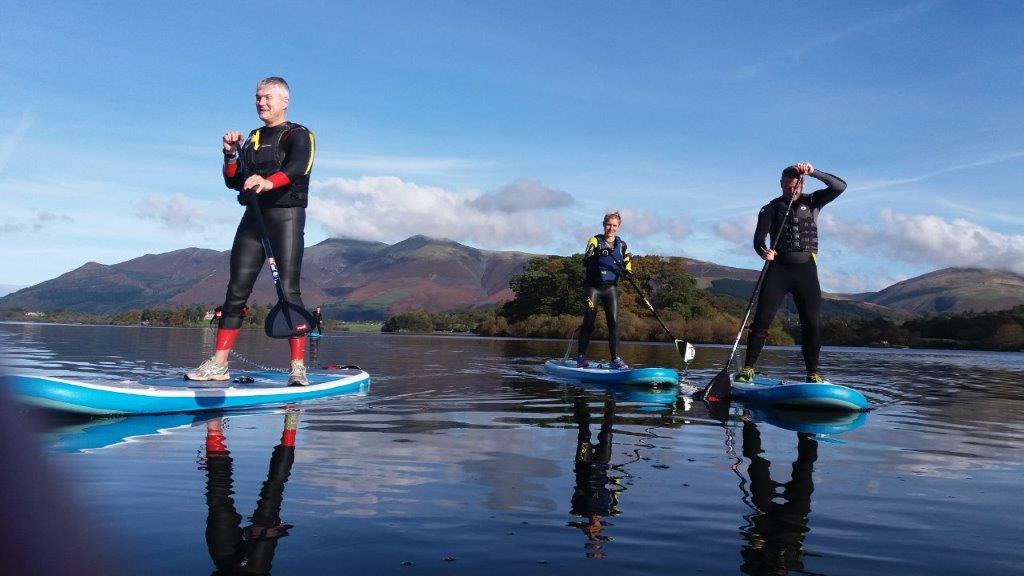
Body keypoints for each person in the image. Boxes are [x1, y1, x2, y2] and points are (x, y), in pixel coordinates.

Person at [187, 77, 316, 386]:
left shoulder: (299, 135)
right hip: (253, 218)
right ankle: (219, 365)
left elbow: (300, 166)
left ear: (285, 101)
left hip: (286, 216)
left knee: (289, 289)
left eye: (268, 97)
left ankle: (298, 368)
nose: (261, 102)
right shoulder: (253, 138)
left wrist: (269, 182)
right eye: (257, 97)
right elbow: (234, 180)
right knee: (235, 291)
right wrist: (230, 154)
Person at [738, 163, 846, 384]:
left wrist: (813, 172)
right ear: (780, 184)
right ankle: (749, 368)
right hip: (777, 270)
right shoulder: (769, 208)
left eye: (794, 187)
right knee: (761, 321)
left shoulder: (813, 200)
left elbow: (840, 186)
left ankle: (812, 373)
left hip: (805, 271)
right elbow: (758, 239)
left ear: (802, 183)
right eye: (787, 187)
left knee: (812, 323)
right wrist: (763, 252)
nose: (791, 191)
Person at [577, 211, 633, 369]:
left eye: (614, 226)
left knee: (614, 323)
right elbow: (586, 260)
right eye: (609, 225)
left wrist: (628, 272)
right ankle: (581, 357)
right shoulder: (595, 240)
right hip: (593, 287)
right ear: (604, 225)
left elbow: (627, 261)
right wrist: (598, 254)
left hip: (610, 288)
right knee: (589, 322)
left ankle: (615, 359)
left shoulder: (622, 245)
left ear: (618, 227)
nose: (611, 228)